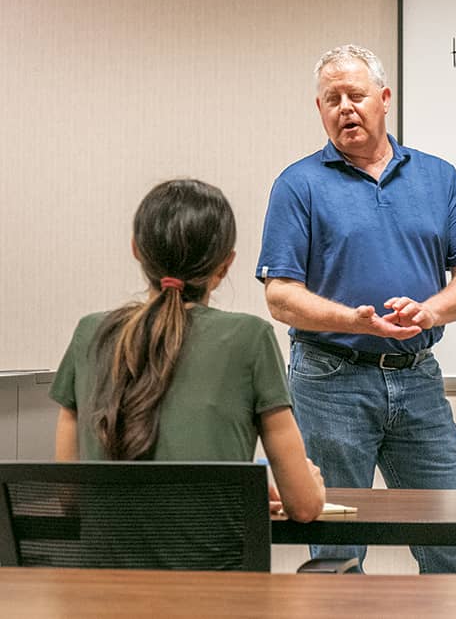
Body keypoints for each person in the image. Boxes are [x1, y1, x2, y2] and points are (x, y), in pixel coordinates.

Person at [256, 44, 456, 573]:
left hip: (419, 378)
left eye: (356, 95)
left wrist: (430, 312)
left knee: (452, 537)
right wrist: (351, 320)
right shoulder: (298, 184)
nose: (345, 108)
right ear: (319, 110)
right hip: (329, 380)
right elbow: (279, 295)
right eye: (331, 99)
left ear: (384, 99)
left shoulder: (438, 177)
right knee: (337, 544)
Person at [50, 179, 326, 523]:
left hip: (106, 576)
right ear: (225, 266)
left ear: (136, 249)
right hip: (217, 575)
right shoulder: (250, 338)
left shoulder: (90, 334)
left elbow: (70, 498)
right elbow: (303, 507)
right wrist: (310, 484)